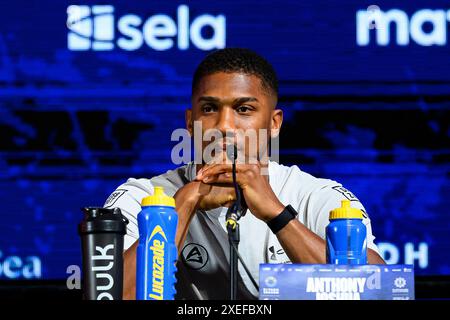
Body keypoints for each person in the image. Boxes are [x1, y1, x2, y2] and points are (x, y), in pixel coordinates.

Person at [104, 48, 385, 300]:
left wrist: (277, 214)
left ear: (274, 123)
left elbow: (379, 292)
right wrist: (184, 203)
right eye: (209, 108)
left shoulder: (317, 196)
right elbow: (109, 297)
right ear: (190, 123)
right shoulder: (140, 197)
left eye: (243, 109)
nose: (224, 125)